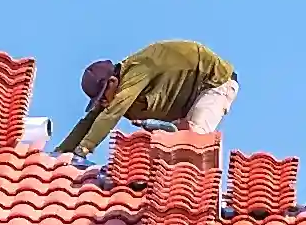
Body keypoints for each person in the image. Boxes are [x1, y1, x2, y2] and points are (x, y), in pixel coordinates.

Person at [55, 40, 239, 160]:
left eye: (102, 96)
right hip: (186, 100)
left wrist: (83, 151)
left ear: (112, 81)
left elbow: (113, 113)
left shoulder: (137, 70)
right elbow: (90, 121)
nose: (103, 103)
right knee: (167, 151)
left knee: (192, 142)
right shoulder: (112, 94)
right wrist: (60, 153)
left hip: (214, 83)